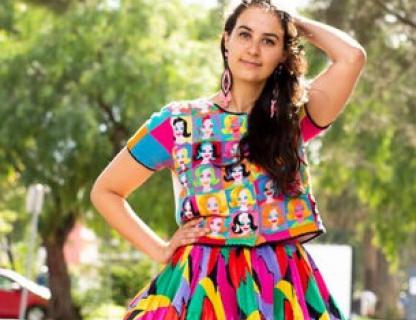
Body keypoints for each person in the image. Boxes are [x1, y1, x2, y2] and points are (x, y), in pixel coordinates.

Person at [90, 0, 365, 319]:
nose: (253, 49)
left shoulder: (293, 118)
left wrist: (291, 22)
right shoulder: (178, 123)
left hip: (280, 288)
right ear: (226, 40)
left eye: (269, 41)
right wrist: (160, 249)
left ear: (282, 55)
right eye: (245, 35)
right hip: (200, 287)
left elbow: (352, 57)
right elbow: (106, 191)